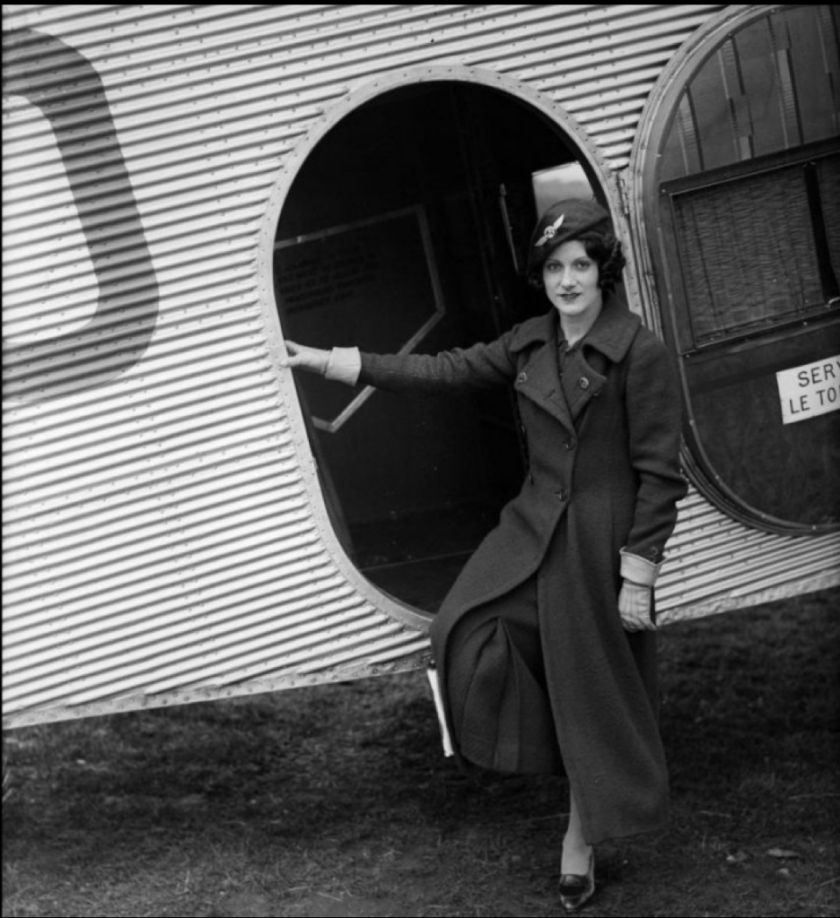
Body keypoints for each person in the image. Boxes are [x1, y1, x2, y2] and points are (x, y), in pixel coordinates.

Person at [282, 198, 687, 911]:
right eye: (555, 267)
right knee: (466, 629)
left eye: (580, 266)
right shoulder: (531, 342)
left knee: (591, 689)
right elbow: (443, 370)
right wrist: (336, 362)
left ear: (604, 271)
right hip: (532, 528)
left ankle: (581, 838)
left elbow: (659, 474)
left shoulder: (640, 352)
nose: (567, 281)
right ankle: (534, 753)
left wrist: (638, 574)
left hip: (597, 542)